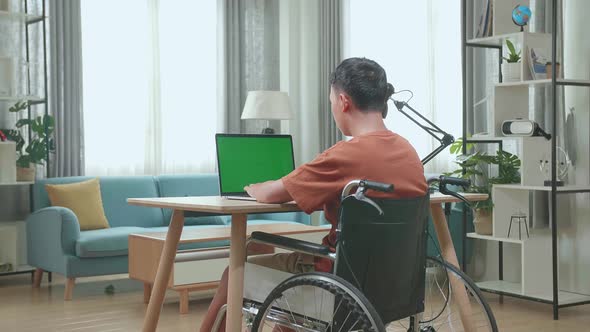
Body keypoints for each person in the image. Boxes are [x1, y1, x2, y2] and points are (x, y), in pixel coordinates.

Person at [199, 57, 428, 331]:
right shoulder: (409, 153)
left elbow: (272, 194)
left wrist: (253, 187)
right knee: (287, 311)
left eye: (331, 101)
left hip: (336, 285)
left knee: (233, 274)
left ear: (343, 101)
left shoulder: (345, 155)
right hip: (393, 287)